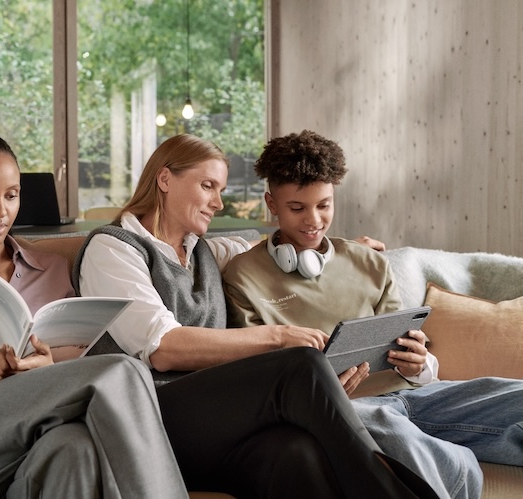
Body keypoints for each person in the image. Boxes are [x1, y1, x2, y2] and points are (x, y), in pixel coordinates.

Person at [73, 133, 440, 498]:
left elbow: (273, 246)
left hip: (213, 424)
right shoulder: (113, 249)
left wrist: (345, 251)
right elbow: (163, 347)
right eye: (208, 186)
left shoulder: (204, 252)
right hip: (146, 417)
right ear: (165, 179)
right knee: (301, 365)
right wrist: (279, 336)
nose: (218, 202)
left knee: (297, 452)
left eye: (220, 190)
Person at [223, 130, 523, 499]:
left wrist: (420, 363)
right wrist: (324, 391)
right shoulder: (242, 276)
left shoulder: (368, 262)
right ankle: (460, 466)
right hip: (350, 410)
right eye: (297, 208)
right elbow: (258, 373)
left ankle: (457, 455)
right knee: (404, 441)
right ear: (271, 203)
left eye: (324, 205)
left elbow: (408, 342)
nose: (313, 221)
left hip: (415, 394)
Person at [0, 133, 189, 499]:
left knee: (73, 448)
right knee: (123, 370)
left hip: (32, 415)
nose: (1, 210)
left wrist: (44, 366)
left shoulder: (51, 270)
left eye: (11, 195)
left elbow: (77, 354)